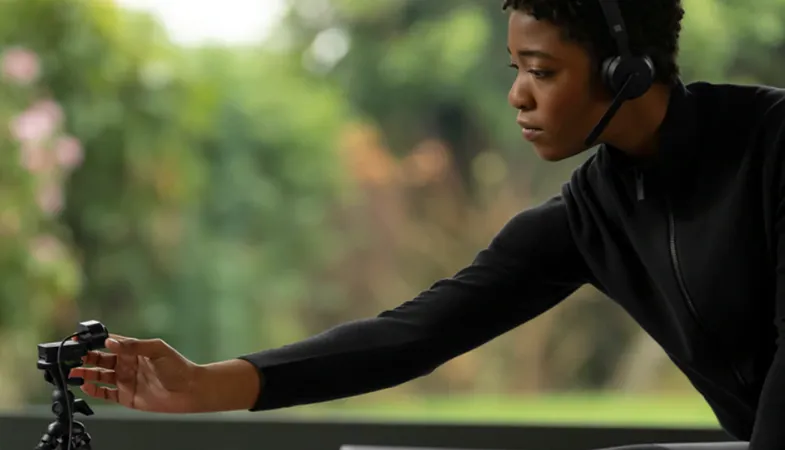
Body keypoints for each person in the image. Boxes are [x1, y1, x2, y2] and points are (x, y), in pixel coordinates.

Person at [68, 1, 785, 449]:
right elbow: (417, 333)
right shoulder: (591, 213)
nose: (517, 95)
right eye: (515, 67)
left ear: (625, 72)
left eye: (541, 71)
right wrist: (208, 385)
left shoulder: (774, 143)